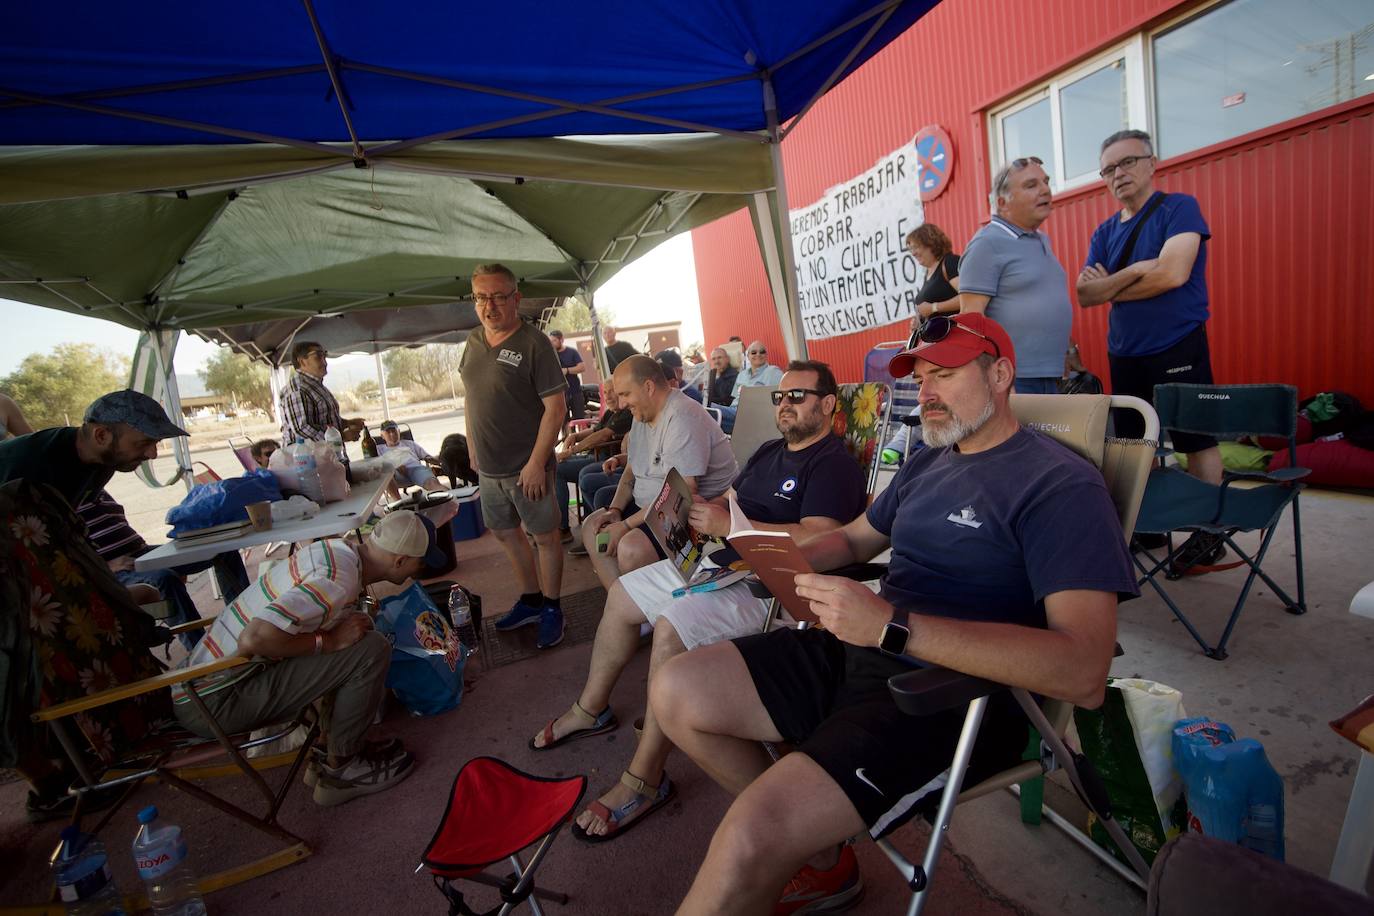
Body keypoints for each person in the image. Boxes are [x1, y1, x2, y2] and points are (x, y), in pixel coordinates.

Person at [651, 314, 1138, 915]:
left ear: (1002, 374)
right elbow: (854, 541)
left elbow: (1085, 672)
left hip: (950, 697)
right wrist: (760, 548)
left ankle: (784, 837)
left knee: (752, 832)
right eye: (921, 377)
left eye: (946, 374)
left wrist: (892, 626)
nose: (926, 392)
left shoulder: (1059, 485)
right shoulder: (929, 462)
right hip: (862, 643)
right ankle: (823, 855)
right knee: (676, 689)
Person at [532, 361, 866, 846]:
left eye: (798, 396)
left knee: (671, 626)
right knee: (625, 594)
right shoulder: (771, 452)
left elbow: (824, 538)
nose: (786, 405)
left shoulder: (831, 463)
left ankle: (644, 779)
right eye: (780, 397)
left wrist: (734, 528)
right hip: (720, 560)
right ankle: (590, 707)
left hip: (772, 585)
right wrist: (694, 521)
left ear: (829, 404)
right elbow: (731, 498)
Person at [173, 510, 445, 807]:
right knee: (370, 650)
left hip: (204, 686)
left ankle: (330, 752)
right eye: (420, 562)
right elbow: (256, 638)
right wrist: (329, 640)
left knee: (354, 643)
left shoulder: (337, 551)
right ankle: (342, 770)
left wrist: (337, 631)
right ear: (400, 560)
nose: (417, 572)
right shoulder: (337, 580)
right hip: (213, 699)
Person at [1075, 128, 1225, 567]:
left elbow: (1173, 274)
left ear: (1151, 162)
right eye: (1108, 169)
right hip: (1126, 353)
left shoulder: (1179, 209)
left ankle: (1206, 532)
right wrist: (1136, 271)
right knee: (1137, 445)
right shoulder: (1104, 232)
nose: (1118, 174)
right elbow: (1085, 297)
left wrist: (1110, 286)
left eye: (1127, 162)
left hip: (1178, 345)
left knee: (1195, 441)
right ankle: (1152, 528)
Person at [459, 263, 569, 650]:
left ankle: (553, 607)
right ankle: (531, 599)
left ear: (516, 299)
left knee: (544, 536)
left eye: (498, 296)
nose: (489, 306)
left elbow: (555, 408)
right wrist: (473, 445)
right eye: (481, 297)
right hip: (488, 470)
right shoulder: (473, 341)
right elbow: (472, 400)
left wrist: (538, 462)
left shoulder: (533, 343)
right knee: (506, 534)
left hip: (529, 467)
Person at [577, 355, 736, 589]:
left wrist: (625, 525)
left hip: (694, 515)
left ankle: (638, 607)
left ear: (648, 387)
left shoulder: (682, 416)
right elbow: (631, 471)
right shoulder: (641, 415)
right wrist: (615, 511)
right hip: (652, 505)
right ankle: (626, 603)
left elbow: (680, 496)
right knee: (593, 527)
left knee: (630, 548)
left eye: (625, 394)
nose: (621, 405)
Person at [75, 489, 251, 648]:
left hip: (141, 552)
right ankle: (203, 652)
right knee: (164, 579)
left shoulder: (94, 484)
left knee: (221, 551)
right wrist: (107, 566)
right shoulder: (61, 497)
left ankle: (243, 622)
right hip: (110, 569)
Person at [958, 156, 1071, 394]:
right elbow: (970, 320)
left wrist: (1068, 352)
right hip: (1014, 380)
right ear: (1003, 202)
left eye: (1045, 181)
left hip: (1051, 374)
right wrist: (996, 378)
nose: (1045, 190)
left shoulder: (1041, 239)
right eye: (1031, 185)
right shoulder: (986, 244)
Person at [0, 388, 188, 511]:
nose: (152, 454)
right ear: (101, 436)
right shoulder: (35, 467)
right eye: (142, 443)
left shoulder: (103, 459)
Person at [555, 381, 633, 540]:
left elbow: (603, 434)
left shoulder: (626, 413)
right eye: (605, 393)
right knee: (562, 468)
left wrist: (571, 451)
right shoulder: (612, 412)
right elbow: (595, 430)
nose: (608, 396)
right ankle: (576, 525)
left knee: (560, 470)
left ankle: (564, 528)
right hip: (599, 456)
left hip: (604, 456)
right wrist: (575, 436)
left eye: (613, 392)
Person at [279, 341, 366, 445]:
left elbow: (324, 420)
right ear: (302, 361)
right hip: (308, 459)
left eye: (324, 357)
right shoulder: (298, 389)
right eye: (318, 357)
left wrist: (346, 423)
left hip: (325, 456)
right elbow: (302, 428)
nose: (325, 362)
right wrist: (341, 437)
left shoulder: (315, 386)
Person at [906, 223, 962, 335]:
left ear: (930, 243)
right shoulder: (928, 273)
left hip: (956, 335)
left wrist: (933, 308)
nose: (913, 253)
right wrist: (919, 321)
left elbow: (968, 297)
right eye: (910, 249)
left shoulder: (949, 263)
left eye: (916, 247)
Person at [376, 420, 446, 493]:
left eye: (394, 431)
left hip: (416, 470)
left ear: (399, 431)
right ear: (382, 436)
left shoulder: (410, 443)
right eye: (388, 432)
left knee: (433, 484)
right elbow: (377, 466)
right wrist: (395, 466)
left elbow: (426, 456)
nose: (392, 434)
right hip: (395, 476)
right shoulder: (378, 449)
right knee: (385, 475)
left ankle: (452, 498)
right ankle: (399, 502)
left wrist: (440, 462)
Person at [549, 329, 587, 426]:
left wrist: (567, 370)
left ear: (561, 340)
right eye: (550, 341)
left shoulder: (572, 352)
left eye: (554, 340)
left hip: (575, 391)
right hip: (560, 394)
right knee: (562, 421)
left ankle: (580, 439)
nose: (552, 343)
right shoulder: (550, 355)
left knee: (579, 418)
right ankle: (566, 440)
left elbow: (582, 367)